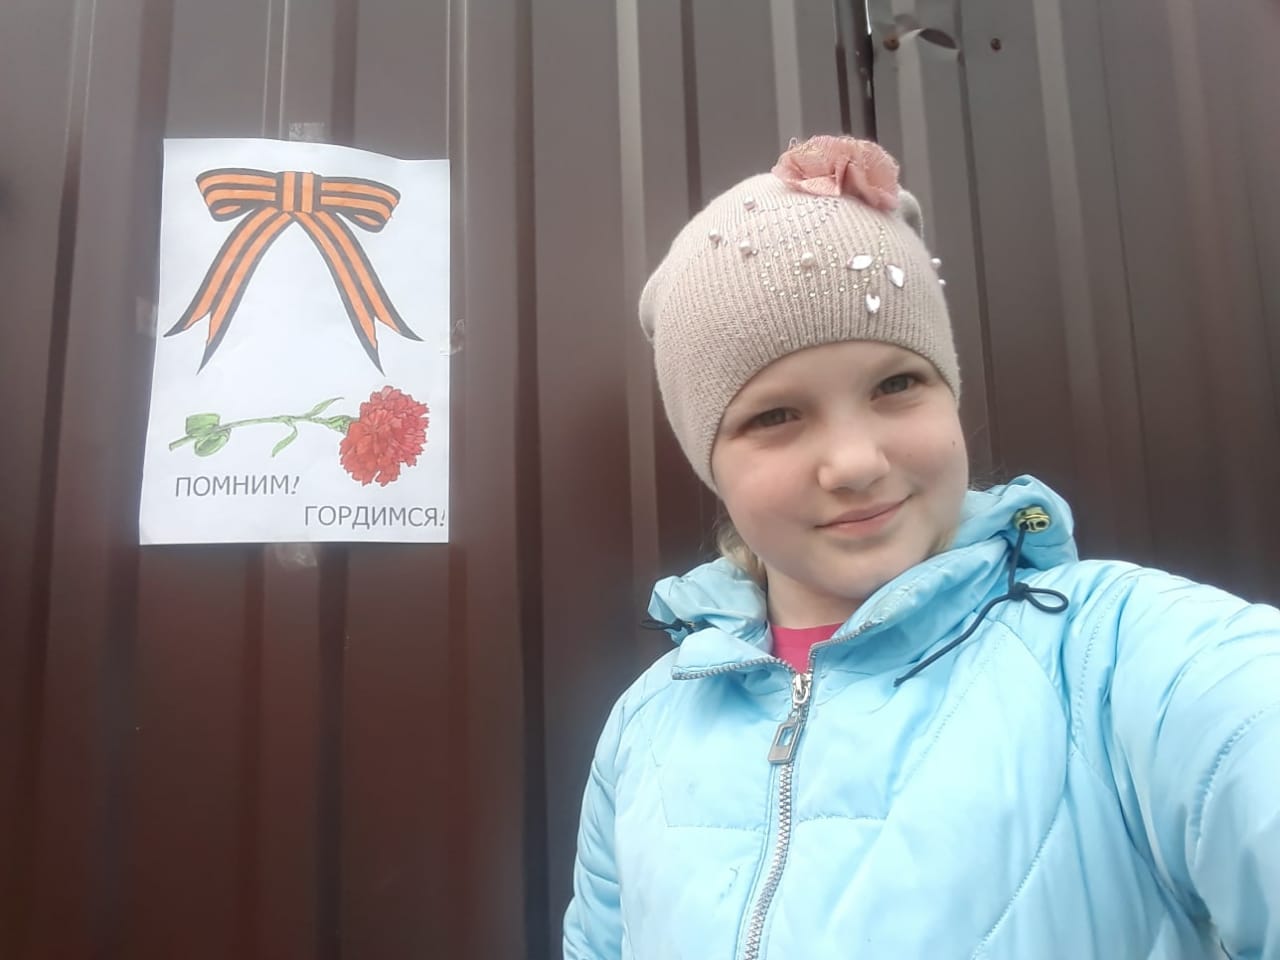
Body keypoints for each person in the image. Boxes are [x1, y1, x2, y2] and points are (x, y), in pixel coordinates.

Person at [561, 134, 1280, 960]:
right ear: (711, 464)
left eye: (897, 384)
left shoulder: (1115, 658)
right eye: (775, 415)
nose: (856, 463)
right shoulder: (647, 725)